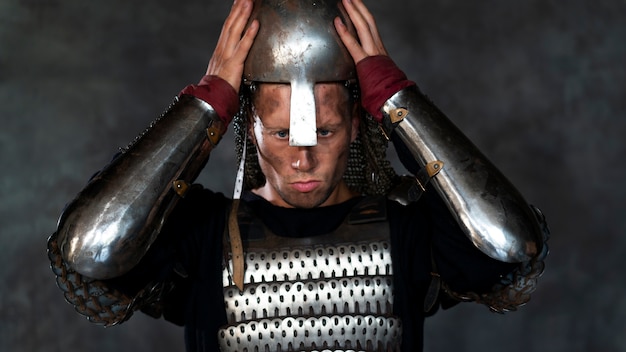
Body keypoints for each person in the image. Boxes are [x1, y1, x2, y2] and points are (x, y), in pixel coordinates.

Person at [47, 0, 549, 351]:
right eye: (283, 133)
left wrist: (396, 99)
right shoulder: (198, 234)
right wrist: (205, 107)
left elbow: (511, 242)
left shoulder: (410, 232)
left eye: (324, 133)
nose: (302, 160)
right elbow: (90, 247)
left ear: (357, 125)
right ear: (249, 129)